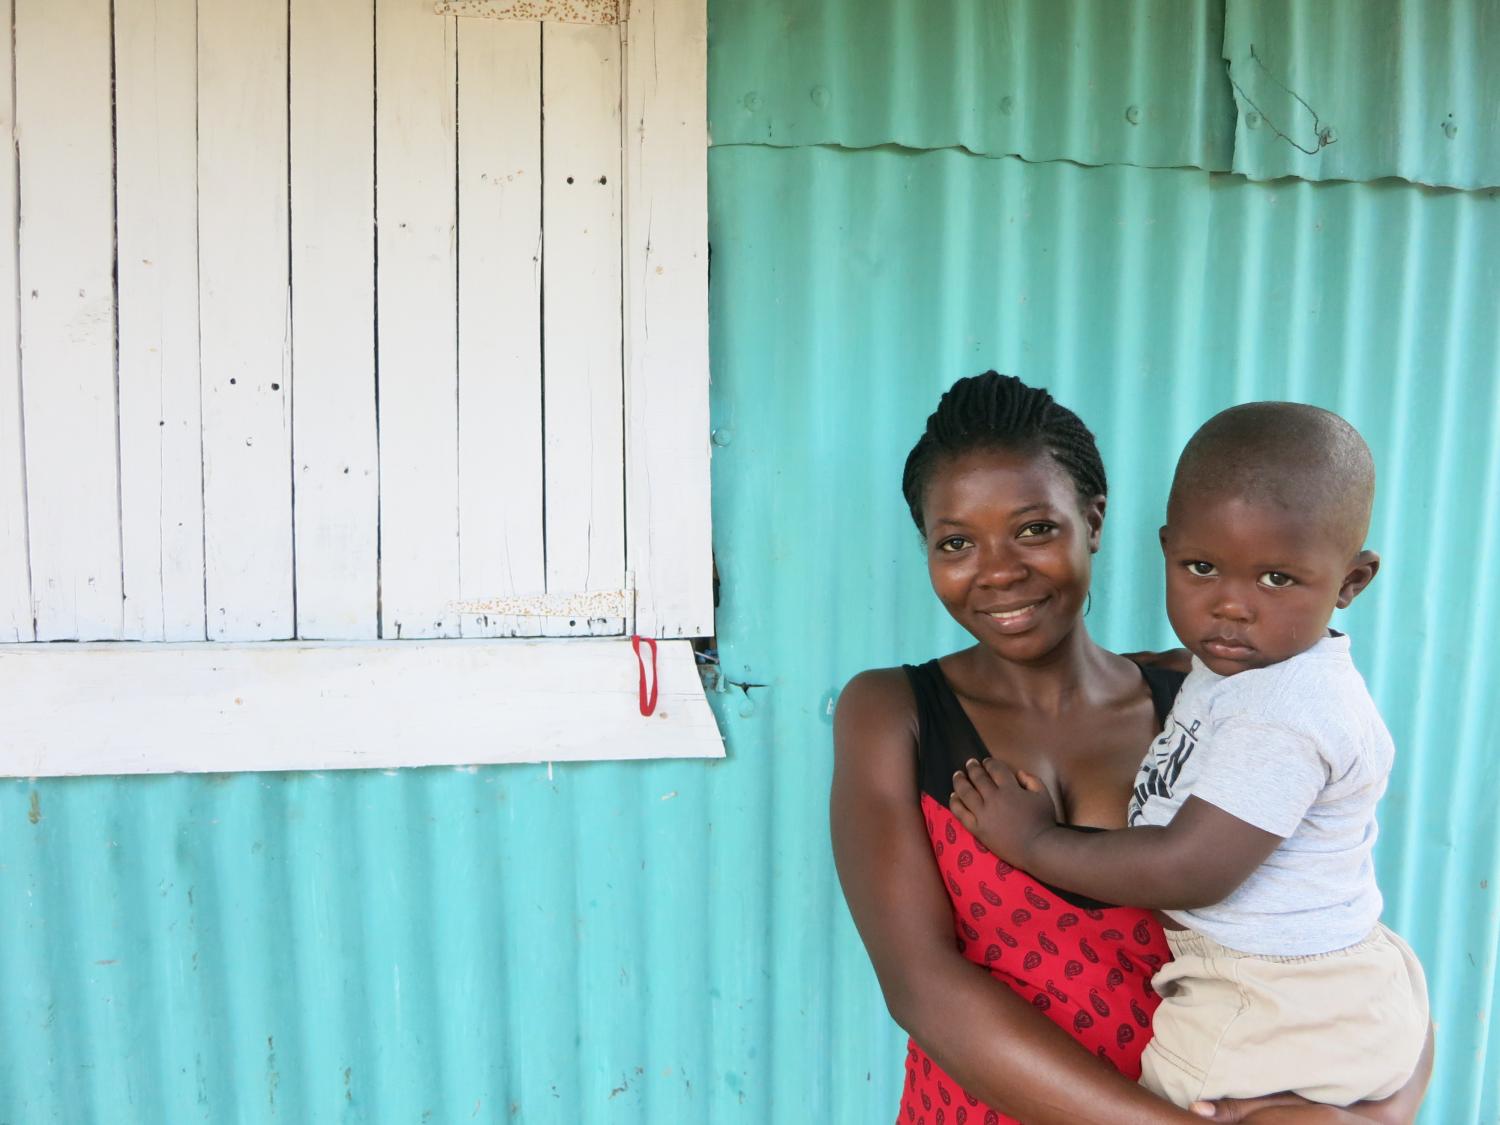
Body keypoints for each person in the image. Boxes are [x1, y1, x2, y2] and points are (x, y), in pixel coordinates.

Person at [830, 372, 1432, 1125]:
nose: (1000, 570)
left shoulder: (1212, 698)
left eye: (1034, 529)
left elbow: (1327, 924)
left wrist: (1380, 1110)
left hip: (1223, 1087)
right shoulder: (895, 714)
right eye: (956, 542)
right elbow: (924, 991)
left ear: (1094, 520)